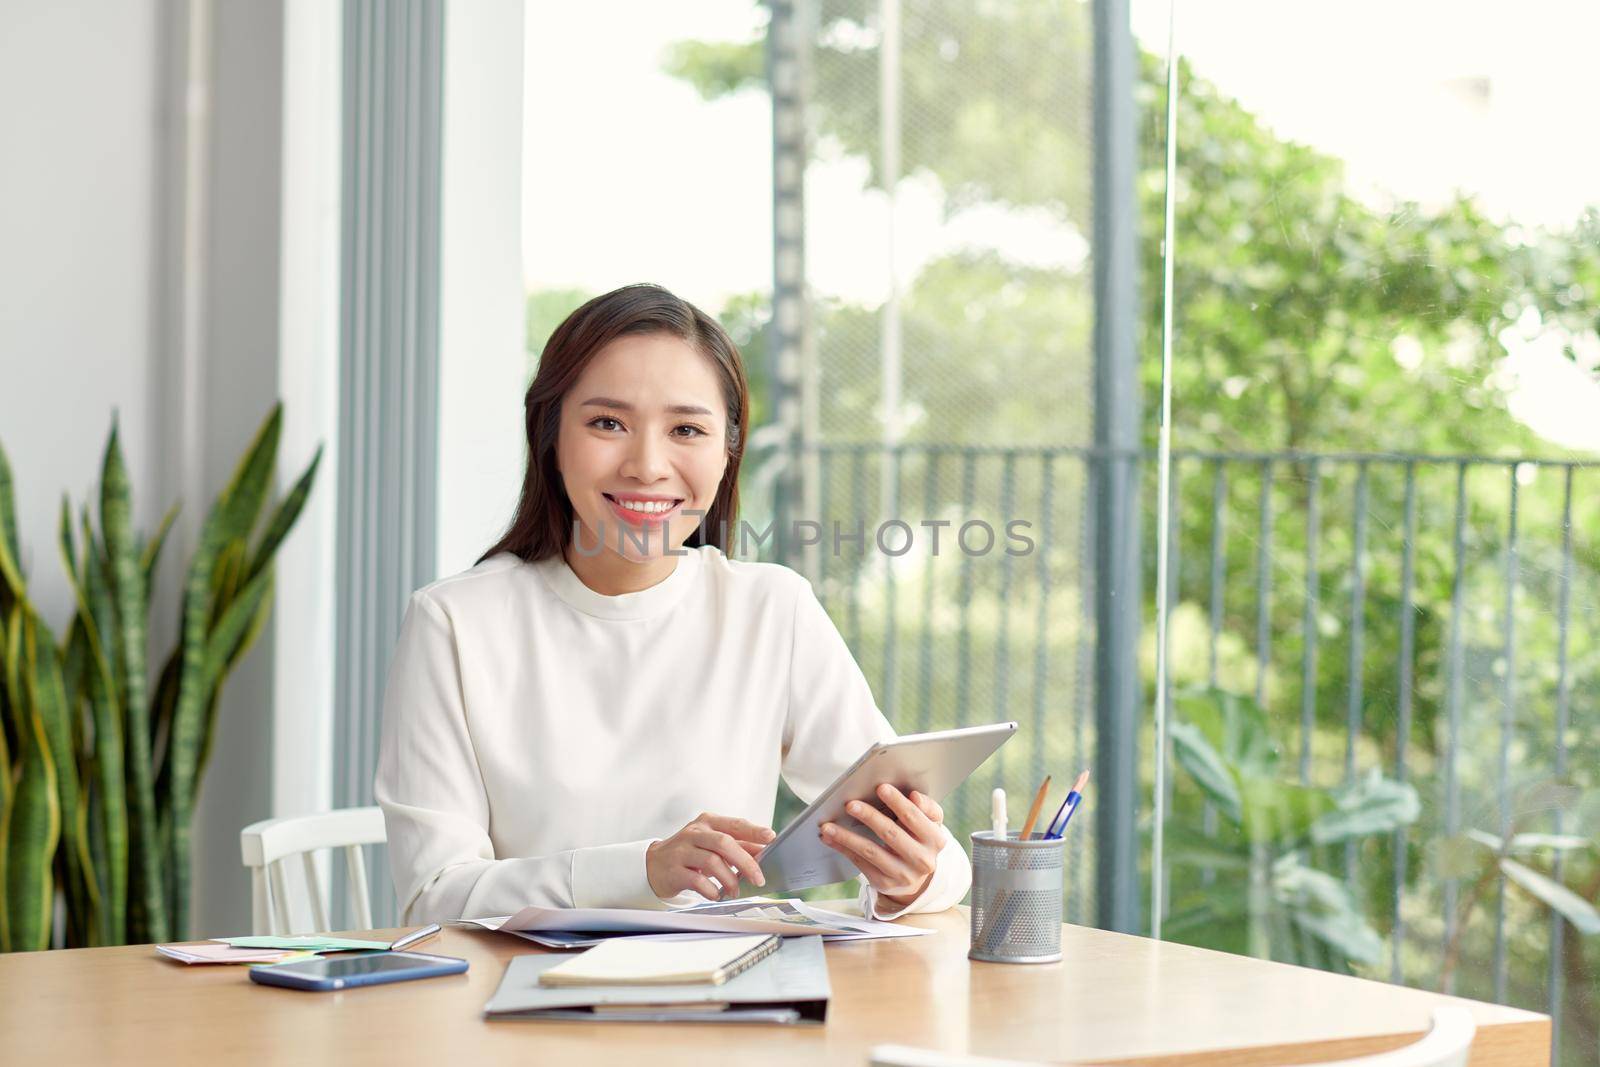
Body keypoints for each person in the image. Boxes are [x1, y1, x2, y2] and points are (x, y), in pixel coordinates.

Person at [375, 283, 971, 925]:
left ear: (726, 451)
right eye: (607, 424)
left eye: (686, 428)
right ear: (550, 436)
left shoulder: (771, 608)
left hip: (730, 1002)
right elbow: (431, 899)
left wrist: (910, 878)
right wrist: (645, 870)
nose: (648, 465)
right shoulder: (456, 623)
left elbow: (942, 865)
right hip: (522, 1008)